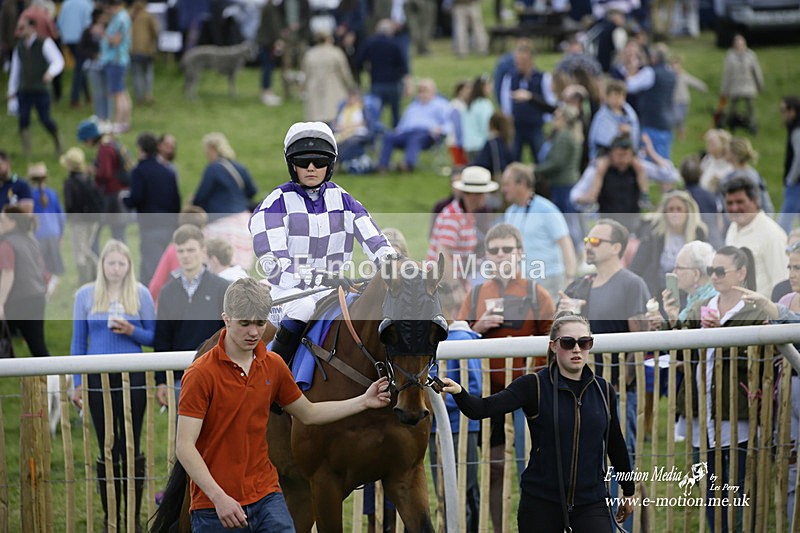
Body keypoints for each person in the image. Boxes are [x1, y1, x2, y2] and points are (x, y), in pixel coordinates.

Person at [176, 277, 391, 531]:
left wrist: (364, 401)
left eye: (260, 323)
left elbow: (309, 412)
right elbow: (184, 446)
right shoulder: (200, 374)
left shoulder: (274, 364)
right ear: (227, 319)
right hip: (216, 504)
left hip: (266, 497)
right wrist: (219, 497)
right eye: (245, 323)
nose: (254, 332)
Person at [439, 312, 635, 532]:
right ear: (554, 346)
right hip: (541, 502)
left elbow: (616, 443)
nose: (577, 349)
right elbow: (481, 409)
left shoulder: (603, 390)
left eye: (584, 342)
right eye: (568, 342)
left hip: (591, 501)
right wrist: (459, 392)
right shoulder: (533, 385)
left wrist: (628, 491)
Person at [249, 121, 396, 365]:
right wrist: (320, 277)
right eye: (303, 161)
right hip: (289, 292)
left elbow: (375, 241)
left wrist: (395, 264)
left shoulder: (344, 200)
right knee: (303, 307)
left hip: (336, 291)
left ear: (330, 165)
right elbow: (275, 265)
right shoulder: (275, 203)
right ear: (292, 164)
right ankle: (273, 374)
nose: (311, 168)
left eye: (319, 162)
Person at [457, 223, 555, 531]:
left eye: (507, 250)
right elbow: (457, 339)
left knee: (535, 467)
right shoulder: (475, 295)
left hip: (530, 396)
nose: (501, 256)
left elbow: (553, 342)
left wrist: (534, 370)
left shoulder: (537, 293)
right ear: (487, 256)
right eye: (495, 250)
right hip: (492, 397)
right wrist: (478, 327)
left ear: (520, 253)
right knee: (495, 467)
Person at [677, 245, 767, 533]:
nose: (713, 276)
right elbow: (680, 350)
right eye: (710, 270)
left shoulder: (756, 309)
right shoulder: (701, 306)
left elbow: (760, 361)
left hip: (737, 413)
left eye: (719, 271)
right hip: (701, 412)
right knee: (708, 488)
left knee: (739, 489)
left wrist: (722, 337)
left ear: (741, 273)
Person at [69, 239, 155, 530]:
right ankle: (111, 518)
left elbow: (154, 337)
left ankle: (133, 516)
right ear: (102, 265)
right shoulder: (85, 295)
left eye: (121, 263)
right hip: (98, 376)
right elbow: (78, 342)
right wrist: (77, 382)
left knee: (131, 442)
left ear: (128, 265)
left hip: (134, 375)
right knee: (107, 444)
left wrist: (131, 330)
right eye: (111, 263)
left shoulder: (140, 293)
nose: (116, 268)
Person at [154, 224, 230, 409]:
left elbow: (229, 332)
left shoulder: (222, 287)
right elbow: (162, 338)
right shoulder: (167, 292)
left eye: (190, 250)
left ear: (203, 251)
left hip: (218, 375)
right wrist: (161, 380)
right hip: (180, 379)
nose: (185, 255)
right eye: (181, 251)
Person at [501, 163, 576, 299]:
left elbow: (565, 243)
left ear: (522, 184)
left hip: (550, 279)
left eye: (507, 184)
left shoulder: (546, 209)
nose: (503, 189)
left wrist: (570, 278)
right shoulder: (510, 212)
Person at [427, 166, 496, 304]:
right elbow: (443, 254)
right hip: (443, 287)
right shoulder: (454, 216)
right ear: (475, 195)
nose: (486, 197)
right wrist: (455, 288)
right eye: (484, 193)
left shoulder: (466, 215)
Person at [193, 132, 258, 270]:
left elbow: (200, 196)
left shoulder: (213, 168)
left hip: (220, 223)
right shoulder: (239, 167)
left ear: (212, 149)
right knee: (239, 268)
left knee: (218, 266)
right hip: (242, 222)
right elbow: (252, 191)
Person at [122, 132, 181, 286]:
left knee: (153, 268)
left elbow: (136, 198)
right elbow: (176, 201)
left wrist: (124, 199)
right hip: (168, 225)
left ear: (141, 149)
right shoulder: (168, 171)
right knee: (157, 263)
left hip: (150, 225)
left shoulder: (140, 170)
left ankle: (154, 297)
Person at [629, 190, 708, 300]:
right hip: (656, 293)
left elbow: (704, 268)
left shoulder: (699, 233)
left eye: (679, 209)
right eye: (671, 209)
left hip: (688, 294)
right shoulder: (653, 233)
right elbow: (637, 266)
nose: (675, 213)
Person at [7, 15, 65, 156]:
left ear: (32, 27)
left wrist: (50, 73)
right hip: (24, 89)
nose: (19, 31)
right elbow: (15, 70)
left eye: (22, 27)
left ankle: (58, 141)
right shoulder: (19, 46)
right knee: (23, 120)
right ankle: (26, 151)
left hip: (40, 89)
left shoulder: (44, 43)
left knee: (45, 119)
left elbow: (58, 61)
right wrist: (11, 91)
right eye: (18, 28)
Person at [722, 175, 787, 297]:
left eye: (740, 202)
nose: (734, 208)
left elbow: (782, 284)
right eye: (729, 203)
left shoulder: (772, 235)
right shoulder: (733, 228)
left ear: (755, 201)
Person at [0, 205, 50, 357]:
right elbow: (42, 271)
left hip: (16, 301)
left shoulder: (6, 244)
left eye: (2, 220)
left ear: (13, 223)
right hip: (36, 298)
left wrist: (0, 303)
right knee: (38, 346)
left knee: (4, 345)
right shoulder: (31, 240)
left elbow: (8, 274)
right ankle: (55, 372)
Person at [499, 38, 556, 163]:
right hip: (517, 126)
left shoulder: (543, 78)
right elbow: (505, 102)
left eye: (522, 61)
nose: (519, 64)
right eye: (517, 61)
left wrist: (548, 121)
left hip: (535, 126)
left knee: (540, 158)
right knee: (513, 158)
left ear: (530, 60)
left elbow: (550, 101)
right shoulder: (510, 78)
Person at [376, 78, 452, 172]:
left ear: (433, 91)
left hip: (428, 134)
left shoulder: (442, 105)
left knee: (415, 137)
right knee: (389, 136)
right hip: (406, 133)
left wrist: (441, 129)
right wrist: (397, 131)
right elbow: (402, 124)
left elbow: (450, 123)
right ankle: (382, 166)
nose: (422, 93)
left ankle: (408, 164)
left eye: (425, 90)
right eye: (420, 90)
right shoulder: (413, 106)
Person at [77, 117, 129, 245]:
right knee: (119, 234)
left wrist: (93, 172)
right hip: (122, 194)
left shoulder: (105, 149)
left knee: (96, 234)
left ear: (90, 138)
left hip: (111, 196)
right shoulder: (112, 143)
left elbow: (105, 174)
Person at [625, 43, 676, 160]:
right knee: (663, 160)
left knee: (649, 161)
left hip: (651, 122)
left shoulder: (650, 72)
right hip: (667, 122)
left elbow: (630, 86)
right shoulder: (671, 72)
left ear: (654, 58)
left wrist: (632, 69)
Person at [354, 19, 408, 128]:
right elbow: (403, 65)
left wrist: (367, 69)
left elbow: (359, 61)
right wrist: (406, 83)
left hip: (377, 82)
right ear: (391, 31)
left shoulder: (370, 43)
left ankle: (376, 132)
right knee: (395, 113)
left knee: (376, 112)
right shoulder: (395, 43)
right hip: (393, 83)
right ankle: (396, 132)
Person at [61, 146, 102, 285]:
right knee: (86, 249)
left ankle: (85, 280)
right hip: (93, 219)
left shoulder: (70, 183)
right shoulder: (88, 180)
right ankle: (96, 274)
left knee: (80, 252)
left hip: (78, 221)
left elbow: (70, 205)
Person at [301, 30, 356, 123]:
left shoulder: (310, 54)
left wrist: (303, 88)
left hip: (314, 88)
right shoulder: (336, 52)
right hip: (334, 87)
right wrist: (350, 87)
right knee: (334, 116)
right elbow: (345, 73)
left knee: (316, 117)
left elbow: (305, 74)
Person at [661, 240, 718, 330]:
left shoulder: (711, 302)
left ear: (696, 274)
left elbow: (694, 336)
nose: (674, 272)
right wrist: (672, 318)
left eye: (679, 268)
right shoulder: (693, 299)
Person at [28, 162, 65, 298]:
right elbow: (61, 215)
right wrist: (61, 233)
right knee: (52, 261)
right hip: (54, 231)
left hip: (38, 234)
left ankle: (46, 287)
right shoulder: (52, 194)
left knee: (39, 262)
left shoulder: (30, 196)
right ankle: (52, 284)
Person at [720, 34, 763, 135]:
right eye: (737, 43)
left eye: (741, 43)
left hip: (748, 85)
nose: (739, 45)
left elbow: (756, 71)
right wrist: (724, 89)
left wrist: (760, 84)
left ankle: (753, 127)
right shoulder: (730, 57)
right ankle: (726, 125)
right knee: (732, 108)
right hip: (735, 87)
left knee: (751, 108)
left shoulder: (751, 55)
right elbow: (727, 74)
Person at [100, 0, 132, 133]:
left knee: (118, 94)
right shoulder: (123, 16)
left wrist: (102, 33)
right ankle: (125, 123)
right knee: (122, 92)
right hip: (120, 60)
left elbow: (117, 40)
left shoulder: (120, 19)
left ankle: (118, 123)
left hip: (116, 60)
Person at [587, 79, 640, 161]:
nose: (617, 99)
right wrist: (619, 134)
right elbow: (601, 139)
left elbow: (635, 136)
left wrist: (629, 132)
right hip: (605, 154)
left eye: (621, 96)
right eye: (614, 96)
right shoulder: (602, 116)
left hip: (628, 155)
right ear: (607, 97)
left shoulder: (630, 115)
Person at [56, 0, 93, 109]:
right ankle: (75, 99)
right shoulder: (87, 4)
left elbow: (59, 22)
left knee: (79, 66)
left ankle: (87, 96)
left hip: (68, 40)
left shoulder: (66, 3)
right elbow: (89, 24)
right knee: (79, 69)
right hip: (81, 40)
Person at [669, 55, 707, 140]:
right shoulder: (670, 76)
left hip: (685, 101)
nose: (676, 68)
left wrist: (702, 86)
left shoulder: (684, 75)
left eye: (677, 66)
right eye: (674, 66)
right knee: (678, 117)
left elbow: (693, 81)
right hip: (675, 101)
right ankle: (674, 132)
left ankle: (681, 135)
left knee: (682, 119)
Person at [129, 0, 159, 105]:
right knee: (148, 73)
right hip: (147, 50)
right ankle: (148, 95)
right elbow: (156, 31)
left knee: (136, 74)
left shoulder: (128, 14)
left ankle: (139, 97)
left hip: (132, 50)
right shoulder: (148, 15)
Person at [778, 95, 800, 233]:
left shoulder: (797, 130)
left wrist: (791, 180)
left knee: (782, 224)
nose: (782, 114)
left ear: (792, 111)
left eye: (783, 110)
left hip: (796, 184)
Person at [699, 128, 734, 194]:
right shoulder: (707, 159)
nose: (708, 145)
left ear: (723, 144)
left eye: (712, 143)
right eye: (708, 142)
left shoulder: (729, 163)